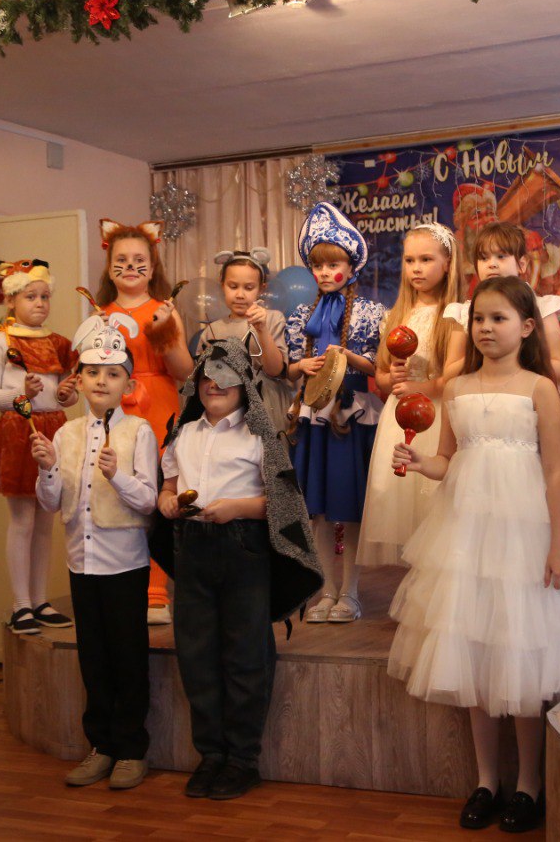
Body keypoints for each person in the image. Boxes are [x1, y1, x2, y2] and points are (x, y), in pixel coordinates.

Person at [389, 276, 560, 833]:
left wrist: (559, 546)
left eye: (498, 318)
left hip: (523, 537)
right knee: (474, 658)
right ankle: (486, 780)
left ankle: (528, 784)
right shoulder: (456, 389)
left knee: (520, 660)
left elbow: (555, 473)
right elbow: (447, 460)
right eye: (478, 318)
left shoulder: (539, 388)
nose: (485, 328)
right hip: (466, 537)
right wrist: (419, 462)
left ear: (527, 327)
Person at [158, 339, 322, 800]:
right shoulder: (182, 433)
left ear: (244, 384)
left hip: (243, 549)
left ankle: (242, 759)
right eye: (206, 376)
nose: (214, 384)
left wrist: (237, 508)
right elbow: (168, 487)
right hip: (192, 549)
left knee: (246, 655)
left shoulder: (260, 435)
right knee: (197, 656)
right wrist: (167, 501)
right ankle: (210, 754)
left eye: (225, 376)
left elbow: (283, 503)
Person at [31, 311, 158, 791]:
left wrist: (116, 475)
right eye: (92, 372)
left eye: (113, 373)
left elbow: (148, 501)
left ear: (128, 384)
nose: (102, 380)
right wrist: (47, 468)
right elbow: (51, 502)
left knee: (128, 657)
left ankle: (131, 749)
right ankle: (101, 745)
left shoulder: (139, 431)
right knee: (94, 659)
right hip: (81, 564)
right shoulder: (66, 434)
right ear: (78, 380)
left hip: (124, 564)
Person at [446, 221, 560, 473]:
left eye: (501, 256)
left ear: (522, 264)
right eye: (483, 258)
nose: (491, 264)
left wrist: (515, 366)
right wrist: (482, 352)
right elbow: (449, 372)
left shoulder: (542, 307)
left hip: (529, 406)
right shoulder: (465, 312)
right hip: (481, 406)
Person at [285, 202, 386, 623]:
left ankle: (352, 592)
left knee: (351, 506)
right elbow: (287, 369)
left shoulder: (370, 312)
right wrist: (301, 367)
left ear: (351, 266)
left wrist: (347, 359)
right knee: (320, 510)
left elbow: (379, 368)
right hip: (314, 417)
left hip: (352, 416)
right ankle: (326, 590)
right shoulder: (300, 316)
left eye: (334, 264)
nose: (325, 273)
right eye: (318, 265)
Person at [97, 219, 194, 625]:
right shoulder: (99, 315)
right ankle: (121, 588)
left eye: (139, 260)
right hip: (116, 409)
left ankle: (156, 592)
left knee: (156, 493)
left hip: (159, 407)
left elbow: (185, 372)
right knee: (117, 495)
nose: (130, 267)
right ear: (109, 268)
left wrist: (163, 335)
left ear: (153, 268)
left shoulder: (165, 311)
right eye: (121, 260)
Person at [0, 258, 78, 635]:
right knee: (22, 521)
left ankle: (40, 600)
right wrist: (21, 394)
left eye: (45, 296)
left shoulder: (60, 343)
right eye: (31, 296)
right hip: (20, 431)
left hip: (54, 430)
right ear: (11, 301)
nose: (40, 303)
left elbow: (64, 398)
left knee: (46, 521)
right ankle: (21, 604)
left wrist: (65, 393)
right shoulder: (0, 342)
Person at [357, 222, 465, 568]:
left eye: (426, 259)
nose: (416, 268)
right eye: (409, 260)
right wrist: (391, 378)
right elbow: (382, 376)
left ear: (447, 263)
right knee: (401, 504)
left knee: (434, 505)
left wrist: (421, 388)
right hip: (398, 419)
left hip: (435, 417)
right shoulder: (396, 315)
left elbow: (455, 376)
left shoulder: (456, 315)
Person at [195, 248, 294, 433]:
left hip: (267, 405)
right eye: (233, 286)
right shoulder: (212, 330)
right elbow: (201, 378)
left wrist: (262, 329)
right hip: (226, 409)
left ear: (261, 289)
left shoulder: (272, 319)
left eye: (249, 288)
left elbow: (275, 370)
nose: (240, 295)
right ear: (222, 285)